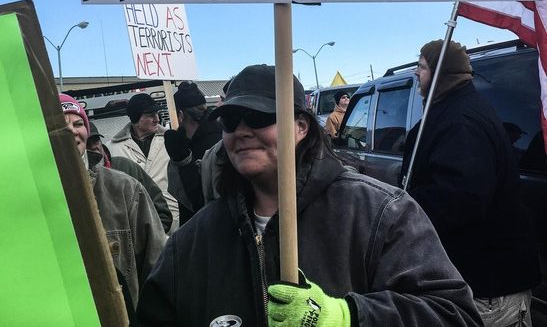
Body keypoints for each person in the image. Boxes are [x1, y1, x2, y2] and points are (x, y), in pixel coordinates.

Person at [136, 64, 483, 327]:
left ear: (301, 127)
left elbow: (455, 314)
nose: (241, 130)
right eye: (229, 121)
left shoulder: (380, 213)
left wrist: (345, 316)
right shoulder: (192, 242)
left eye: (258, 117)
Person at [399, 40, 541, 326]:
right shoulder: (453, 110)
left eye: (422, 66)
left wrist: (404, 210)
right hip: (475, 282)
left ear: (442, 73)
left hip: (488, 290)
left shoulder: (461, 120)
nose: (416, 72)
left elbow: (460, 198)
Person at [60, 94, 167, 320]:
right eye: (62, 124)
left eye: (78, 123)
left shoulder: (124, 188)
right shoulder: (35, 198)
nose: (72, 131)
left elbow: (158, 267)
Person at [108, 92, 179, 230]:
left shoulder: (171, 141)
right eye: (150, 115)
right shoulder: (112, 149)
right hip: (136, 225)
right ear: (136, 119)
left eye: (157, 114)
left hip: (174, 220)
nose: (157, 119)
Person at [87, 121, 173, 233]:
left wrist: (149, 241)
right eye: (87, 143)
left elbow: (161, 211)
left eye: (96, 140)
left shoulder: (126, 166)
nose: (94, 146)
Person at [164, 81, 222, 225]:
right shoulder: (221, 135)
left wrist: (181, 159)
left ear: (180, 115)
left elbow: (197, 202)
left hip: (206, 232)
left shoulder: (211, 148)